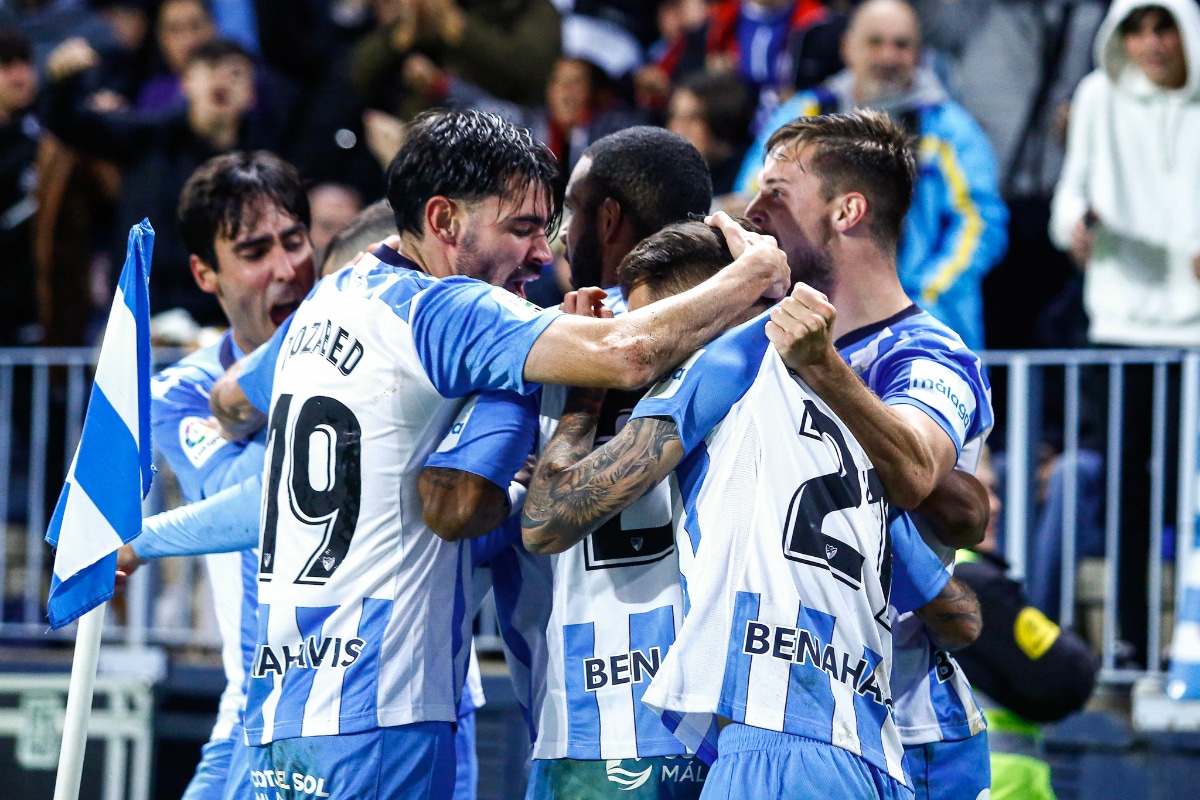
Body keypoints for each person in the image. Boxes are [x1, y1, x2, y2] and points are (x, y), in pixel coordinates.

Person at [208, 109, 790, 798]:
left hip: (282, 705)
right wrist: (755, 273)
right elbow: (621, 359)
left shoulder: (327, 302)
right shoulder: (459, 314)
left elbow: (226, 398)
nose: (543, 256)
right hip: (383, 707)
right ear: (445, 221)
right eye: (522, 229)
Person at [520, 219, 968, 798]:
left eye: (663, 321)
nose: (659, 343)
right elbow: (959, 617)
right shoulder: (848, 416)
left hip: (770, 751)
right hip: (873, 757)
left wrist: (583, 395)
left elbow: (548, 518)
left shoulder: (718, 365)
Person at [744, 110, 993, 800]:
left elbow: (916, 466)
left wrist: (821, 369)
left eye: (776, 193)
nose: (753, 211)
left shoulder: (927, 352)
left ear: (848, 210)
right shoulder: (764, 344)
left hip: (909, 730)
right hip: (797, 718)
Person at [117, 151, 315, 800]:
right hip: (254, 707)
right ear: (205, 273)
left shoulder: (382, 357)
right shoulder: (181, 391)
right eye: (256, 252)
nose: (288, 269)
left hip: (395, 704)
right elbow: (245, 502)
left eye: (295, 241)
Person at [1050, 0, 1200, 667]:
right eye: (1136, 28)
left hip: (1195, 334)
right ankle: (1133, 643)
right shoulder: (1097, 95)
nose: (1150, 42)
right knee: (1129, 491)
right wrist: (1076, 227)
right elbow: (1067, 201)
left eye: (1162, 25)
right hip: (1119, 326)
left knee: (1188, 488)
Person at [736, 0, 1007, 351]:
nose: (888, 57)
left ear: (919, 53)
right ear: (847, 48)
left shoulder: (950, 129)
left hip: (924, 331)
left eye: (902, 45)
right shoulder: (804, 115)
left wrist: (920, 298)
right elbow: (752, 206)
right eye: (875, 42)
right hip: (803, 323)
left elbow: (980, 224)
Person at [42, 36, 273, 326]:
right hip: (142, 321)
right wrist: (62, 82)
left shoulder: (266, 167)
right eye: (210, 69)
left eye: (236, 73)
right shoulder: (147, 136)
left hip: (228, 326)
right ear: (186, 82)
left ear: (252, 93)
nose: (222, 79)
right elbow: (68, 125)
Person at [954, 449, 1098, 800]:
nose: (997, 505)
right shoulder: (971, 581)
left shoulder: (893, 570)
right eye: (982, 490)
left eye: (994, 489)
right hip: (994, 786)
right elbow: (1068, 675)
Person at [0, 26, 40, 346]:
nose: (20, 75)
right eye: (6, 65)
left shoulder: (51, 139)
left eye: (25, 63)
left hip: (30, 308)